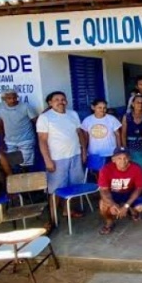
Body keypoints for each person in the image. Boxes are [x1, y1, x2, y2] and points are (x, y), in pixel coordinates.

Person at [36, 91, 87, 223]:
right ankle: (53, 217)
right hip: (56, 159)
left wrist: (84, 150)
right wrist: (47, 160)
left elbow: (79, 132)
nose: (61, 102)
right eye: (57, 99)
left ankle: (67, 210)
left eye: (63, 99)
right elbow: (42, 140)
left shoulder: (73, 114)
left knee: (73, 186)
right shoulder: (45, 117)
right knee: (56, 189)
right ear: (50, 103)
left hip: (75, 155)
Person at [97, 147, 142, 235]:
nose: (123, 161)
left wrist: (127, 205)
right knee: (103, 205)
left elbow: (139, 188)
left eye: (125, 158)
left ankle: (129, 209)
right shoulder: (105, 169)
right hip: (114, 194)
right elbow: (104, 190)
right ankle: (109, 223)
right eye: (119, 158)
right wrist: (112, 204)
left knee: (140, 207)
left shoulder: (137, 168)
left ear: (130, 158)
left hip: (129, 193)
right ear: (113, 159)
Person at [121, 94, 142, 209]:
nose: (140, 104)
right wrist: (125, 150)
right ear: (132, 104)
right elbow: (123, 134)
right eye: (137, 102)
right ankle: (136, 195)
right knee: (135, 172)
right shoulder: (127, 117)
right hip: (131, 147)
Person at [0, 89, 37, 168]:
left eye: (14, 98)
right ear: (4, 99)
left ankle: (25, 177)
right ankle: (18, 178)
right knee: (15, 163)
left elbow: (36, 121)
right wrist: (2, 141)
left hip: (26, 139)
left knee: (25, 165)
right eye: (9, 98)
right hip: (10, 141)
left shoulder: (25, 106)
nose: (13, 100)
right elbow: (1, 124)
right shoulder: (0, 107)